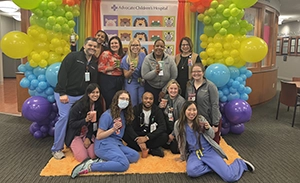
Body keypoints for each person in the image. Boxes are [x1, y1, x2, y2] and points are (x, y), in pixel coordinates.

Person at [173, 101, 255, 182]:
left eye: (194, 110)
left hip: (208, 151)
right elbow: (181, 142)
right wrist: (183, 156)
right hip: (194, 153)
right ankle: (215, 167)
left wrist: (208, 128)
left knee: (230, 177)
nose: (192, 112)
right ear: (184, 111)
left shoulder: (200, 119)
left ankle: (240, 163)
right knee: (191, 172)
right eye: (189, 110)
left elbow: (212, 135)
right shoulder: (178, 124)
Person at [71, 90, 140, 178]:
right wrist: (113, 129)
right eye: (122, 98)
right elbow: (99, 136)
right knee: (124, 165)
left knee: (135, 156)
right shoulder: (107, 115)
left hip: (116, 142)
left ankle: (105, 160)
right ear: (116, 100)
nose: (124, 101)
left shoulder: (123, 114)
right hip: (103, 144)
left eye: (127, 99)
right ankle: (90, 166)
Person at [52, 37, 98, 160]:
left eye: (94, 46)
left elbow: (92, 81)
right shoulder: (73, 56)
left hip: (82, 96)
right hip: (65, 94)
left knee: (85, 116)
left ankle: (76, 139)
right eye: (90, 45)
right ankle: (56, 149)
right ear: (84, 45)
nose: (92, 48)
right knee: (64, 117)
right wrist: (62, 92)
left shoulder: (94, 62)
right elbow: (62, 73)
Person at [65, 83, 105, 162]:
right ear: (88, 93)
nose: (95, 95)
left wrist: (88, 137)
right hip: (75, 134)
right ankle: (74, 146)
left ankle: (85, 142)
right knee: (83, 158)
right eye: (93, 92)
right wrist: (85, 120)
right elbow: (72, 124)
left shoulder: (97, 105)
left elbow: (94, 124)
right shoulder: (78, 106)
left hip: (87, 132)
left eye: (97, 92)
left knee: (94, 155)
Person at [123, 92, 168, 158]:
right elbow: (129, 125)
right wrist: (137, 139)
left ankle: (144, 148)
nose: (148, 101)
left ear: (153, 100)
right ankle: (151, 149)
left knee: (164, 136)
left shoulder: (157, 110)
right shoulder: (135, 109)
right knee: (125, 134)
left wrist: (147, 138)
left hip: (150, 135)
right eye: (146, 98)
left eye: (150, 99)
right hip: (138, 134)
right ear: (142, 99)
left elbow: (163, 126)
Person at [186, 63, 222, 144]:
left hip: (210, 120)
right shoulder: (189, 85)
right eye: (194, 71)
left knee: (213, 145)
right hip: (195, 120)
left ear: (203, 72)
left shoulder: (210, 86)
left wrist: (215, 124)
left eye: (199, 71)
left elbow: (215, 105)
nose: (196, 73)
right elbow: (187, 103)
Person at [141, 38, 178, 105]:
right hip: (151, 87)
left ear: (164, 48)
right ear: (153, 47)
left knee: (164, 107)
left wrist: (164, 90)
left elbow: (174, 76)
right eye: (157, 46)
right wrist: (155, 72)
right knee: (151, 107)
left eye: (161, 46)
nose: (159, 48)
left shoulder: (169, 59)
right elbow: (144, 75)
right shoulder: (147, 59)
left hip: (166, 88)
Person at [159, 79, 185, 154]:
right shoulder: (165, 98)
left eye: (175, 89)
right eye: (171, 88)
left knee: (174, 149)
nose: (173, 91)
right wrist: (160, 107)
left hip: (177, 128)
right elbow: (159, 115)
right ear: (167, 89)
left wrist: (173, 134)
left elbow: (182, 120)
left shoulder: (181, 101)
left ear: (178, 89)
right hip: (167, 127)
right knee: (161, 140)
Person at [98, 36, 125, 109]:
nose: (114, 45)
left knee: (118, 101)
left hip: (119, 80)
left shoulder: (123, 55)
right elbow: (100, 68)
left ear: (119, 45)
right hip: (108, 80)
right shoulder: (106, 53)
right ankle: (109, 117)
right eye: (112, 43)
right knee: (110, 101)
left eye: (116, 43)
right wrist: (111, 68)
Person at [120, 39, 146, 106]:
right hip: (130, 82)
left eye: (137, 45)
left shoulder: (143, 56)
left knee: (141, 101)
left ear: (140, 46)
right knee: (132, 102)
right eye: (133, 45)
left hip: (141, 82)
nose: (135, 47)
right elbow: (126, 75)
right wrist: (131, 71)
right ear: (130, 46)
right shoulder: (125, 59)